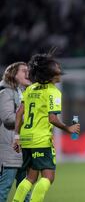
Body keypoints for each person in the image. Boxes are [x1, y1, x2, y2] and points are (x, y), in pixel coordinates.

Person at [12, 53, 80, 202]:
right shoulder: (53, 92)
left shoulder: (31, 89)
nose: (60, 69)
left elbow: (19, 113)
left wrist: (16, 136)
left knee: (30, 178)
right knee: (48, 177)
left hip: (26, 138)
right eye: (57, 68)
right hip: (41, 140)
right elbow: (52, 118)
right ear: (50, 74)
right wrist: (68, 129)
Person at [0, 62, 31, 202]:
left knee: (25, 191)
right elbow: (8, 119)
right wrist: (31, 117)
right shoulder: (5, 92)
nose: (28, 73)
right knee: (4, 190)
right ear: (13, 74)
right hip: (9, 152)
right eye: (24, 71)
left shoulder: (25, 93)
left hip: (23, 150)